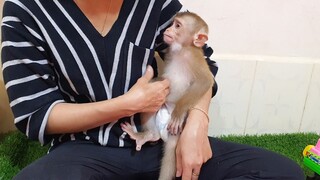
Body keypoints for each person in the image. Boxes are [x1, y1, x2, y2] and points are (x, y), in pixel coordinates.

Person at [1, 0, 304, 179]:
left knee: (282, 173)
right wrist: (127, 104)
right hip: (83, 150)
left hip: (160, 142)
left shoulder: (153, 5)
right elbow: (36, 115)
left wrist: (197, 122)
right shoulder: (26, 10)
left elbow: (203, 63)